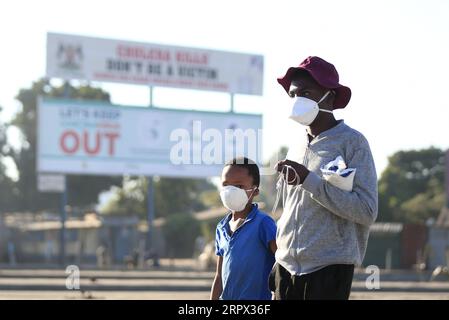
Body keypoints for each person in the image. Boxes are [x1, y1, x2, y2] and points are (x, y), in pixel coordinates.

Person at [270, 56, 378, 300]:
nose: (297, 100)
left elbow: (366, 210)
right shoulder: (296, 146)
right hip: (285, 267)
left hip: (328, 268)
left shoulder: (353, 143)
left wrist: (310, 180)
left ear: (329, 95)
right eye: (293, 95)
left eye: (306, 93)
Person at [211, 157, 277, 300]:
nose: (230, 191)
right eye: (226, 185)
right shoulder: (221, 228)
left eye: (239, 186)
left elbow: (282, 263)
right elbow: (219, 276)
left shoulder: (263, 223)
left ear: (255, 191)